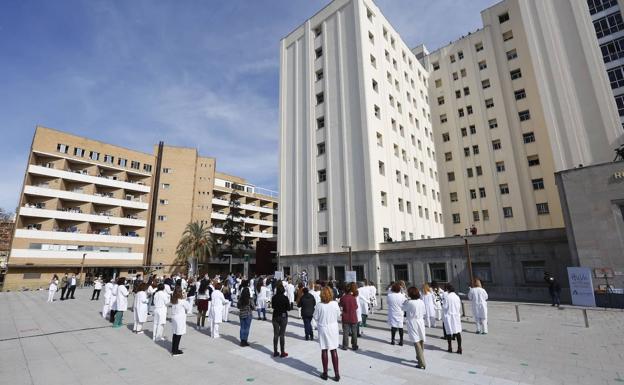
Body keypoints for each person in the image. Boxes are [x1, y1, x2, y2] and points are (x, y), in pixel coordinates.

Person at [314, 287, 341, 381]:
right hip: (333, 328)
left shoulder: (319, 305)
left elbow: (315, 317)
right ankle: (337, 374)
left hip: (323, 327)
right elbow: (338, 315)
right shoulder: (334, 304)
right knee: (334, 350)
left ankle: (325, 373)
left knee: (324, 349)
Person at [403, 287, 427, 369]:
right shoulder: (421, 301)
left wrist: (406, 301)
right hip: (420, 321)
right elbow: (424, 312)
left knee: (416, 342)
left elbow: (403, 308)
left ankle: (421, 363)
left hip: (413, 322)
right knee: (421, 340)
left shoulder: (410, 302)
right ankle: (419, 357)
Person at [170, 286, 192, 356]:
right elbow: (188, 308)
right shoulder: (182, 301)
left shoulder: (173, 300)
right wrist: (185, 298)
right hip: (180, 318)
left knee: (175, 333)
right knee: (178, 334)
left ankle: (174, 348)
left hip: (174, 317)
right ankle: (175, 351)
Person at [271, 283, 290, 358]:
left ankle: (275, 351)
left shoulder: (274, 297)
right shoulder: (285, 298)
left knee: (275, 334)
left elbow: (273, 306)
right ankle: (282, 352)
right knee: (282, 334)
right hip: (283, 316)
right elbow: (288, 308)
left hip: (275, 315)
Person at [443, 284, 463, 354]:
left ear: (448, 290)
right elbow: (459, 306)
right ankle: (459, 347)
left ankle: (450, 347)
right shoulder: (457, 297)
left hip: (449, 316)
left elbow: (445, 307)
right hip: (456, 316)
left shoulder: (447, 297)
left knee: (449, 332)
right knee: (457, 332)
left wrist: (442, 304)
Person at [339, 283, 358, 350]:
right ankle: (354, 345)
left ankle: (345, 345)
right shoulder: (353, 298)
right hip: (353, 317)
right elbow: (356, 307)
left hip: (345, 317)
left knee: (345, 332)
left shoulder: (342, 298)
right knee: (354, 332)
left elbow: (340, 307)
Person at [237, 282, 254, 346]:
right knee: (247, 328)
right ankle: (245, 340)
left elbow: (238, 306)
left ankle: (242, 340)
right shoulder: (250, 299)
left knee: (242, 327)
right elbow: (253, 307)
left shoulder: (240, 299)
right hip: (248, 314)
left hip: (241, 314)